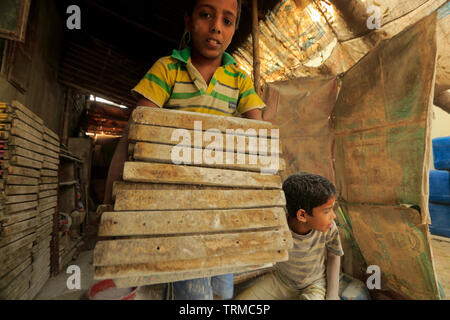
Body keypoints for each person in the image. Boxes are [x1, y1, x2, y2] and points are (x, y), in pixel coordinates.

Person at [102, 0, 265, 300]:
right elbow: (136, 133)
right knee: (194, 294)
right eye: (206, 15)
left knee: (222, 291)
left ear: (232, 32)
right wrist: (113, 199)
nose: (217, 25)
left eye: (227, 21)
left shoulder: (239, 79)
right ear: (189, 22)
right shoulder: (167, 70)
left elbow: (259, 138)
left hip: (220, 209)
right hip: (175, 207)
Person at [236, 172, 344, 300]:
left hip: (314, 285)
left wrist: (332, 294)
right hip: (281, 281)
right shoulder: (278, 226)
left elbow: (334, 254)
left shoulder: (329, 228)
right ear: (302, 215)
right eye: (327, 211)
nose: (333, 216)